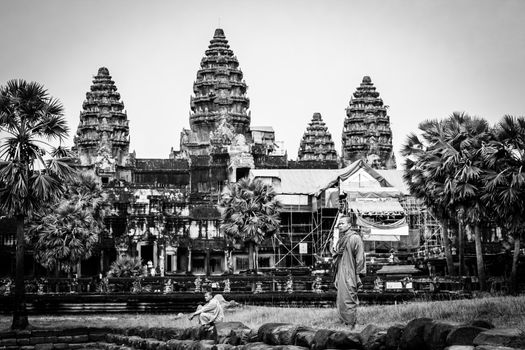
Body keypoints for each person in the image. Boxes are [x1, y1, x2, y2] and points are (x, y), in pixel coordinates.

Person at [333, 215, 365, 328]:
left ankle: (351, 324)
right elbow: (338, 260)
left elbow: (360, 258)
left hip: (351, 272)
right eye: (339, 224)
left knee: (349, 299)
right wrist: (337, 276)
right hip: (341, 272)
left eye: (342, 223)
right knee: (341, 299)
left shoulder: (355, 238)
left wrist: (358, 275)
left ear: (349, 225)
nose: (340, 226)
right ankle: (344, 322)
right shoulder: (342, 239)